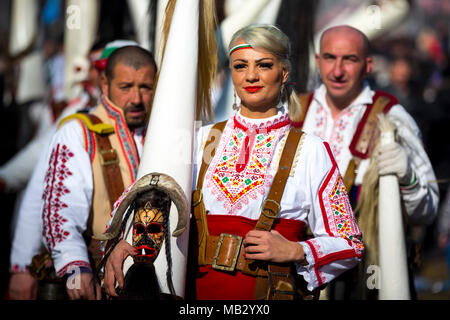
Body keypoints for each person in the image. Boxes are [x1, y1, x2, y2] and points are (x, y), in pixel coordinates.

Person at [102, 24, 364, 300]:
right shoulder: (200, 139)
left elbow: (351, 244)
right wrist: (126, 239)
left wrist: (297, 251)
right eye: (240, 66)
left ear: (284, 72)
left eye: (263, 65)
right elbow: (146, 196)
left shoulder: (312, 151)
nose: (251, 76)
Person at [299, 25, 439, 299]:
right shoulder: (294, 111)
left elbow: (428, 210)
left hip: (365, 279)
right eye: (329, 57)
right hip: (298, 275)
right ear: (318, 61)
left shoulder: (392, 117)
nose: (337, 70)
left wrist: (408, 178)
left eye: (349, 59)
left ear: (368, 65)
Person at [8, 45, 156, 300]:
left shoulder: (165, 131)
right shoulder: (78, 130)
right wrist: (75, 265)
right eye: (125, 87)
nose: (136, 98)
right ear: (105, 83)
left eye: (145, 87)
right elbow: (57, 208)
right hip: (97, 280)